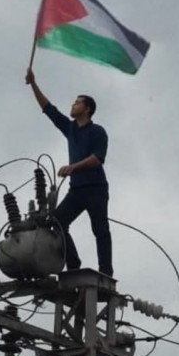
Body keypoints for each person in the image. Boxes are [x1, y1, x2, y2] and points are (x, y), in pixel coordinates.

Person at [25, 67, 113, 278]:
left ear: (87, 109)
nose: (73, 105)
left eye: (77, 102)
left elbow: (97, 158)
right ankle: (73, 264)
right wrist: (33, 84)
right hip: (77, 190)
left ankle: (106, 273)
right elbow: (49, 110)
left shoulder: (98, 131)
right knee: (57, 221)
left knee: (100, 230)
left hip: (96, 189)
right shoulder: (71, 128)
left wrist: (73, 167)